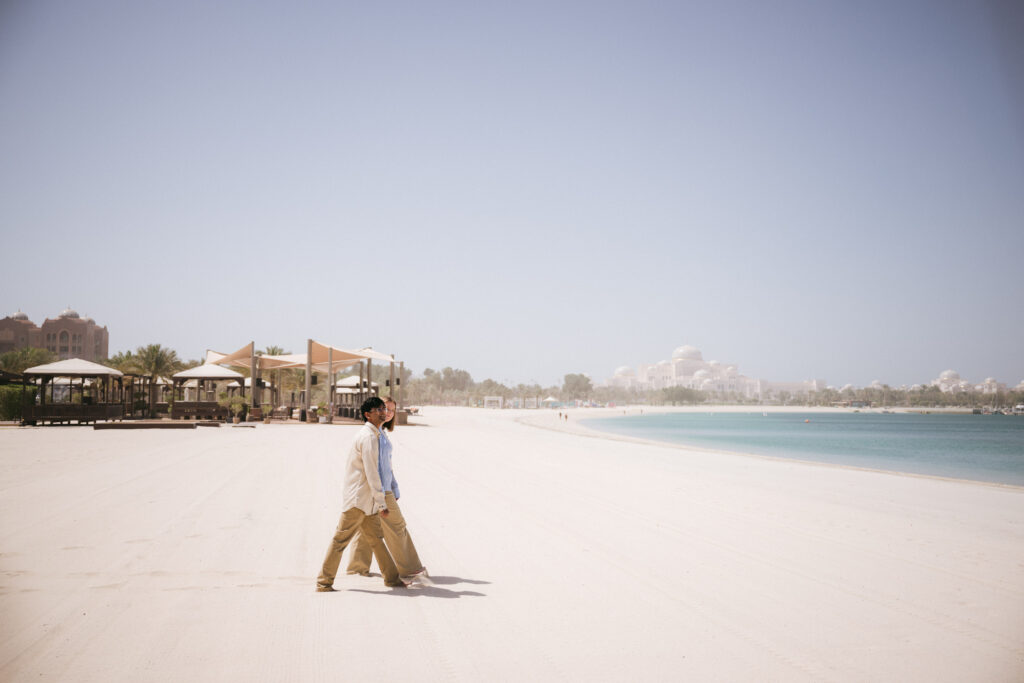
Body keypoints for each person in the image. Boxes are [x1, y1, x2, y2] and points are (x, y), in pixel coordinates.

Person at [316, 396, 403, 592]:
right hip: (358, 501)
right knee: (340, 541)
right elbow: (372, 472)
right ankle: (323, 582)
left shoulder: (376, 435)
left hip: (366, 500)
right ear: (367, 415)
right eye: (377, 410)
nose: (383, 412)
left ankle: (392, 579)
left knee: (376, 541)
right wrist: (382, 503)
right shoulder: (369, 437)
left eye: (383, 408)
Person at [346, 397, 430, 586]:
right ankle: (410, 569)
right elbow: (377, 467)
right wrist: (386, 492)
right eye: (385, 409)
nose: (388, 413)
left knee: (368, 527)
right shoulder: (373, 435)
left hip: (378, 488)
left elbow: (386, 467)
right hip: (379, 489)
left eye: (391, 410)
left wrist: (394, 487)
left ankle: (357, 568)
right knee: (396, 526)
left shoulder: (380, 433)